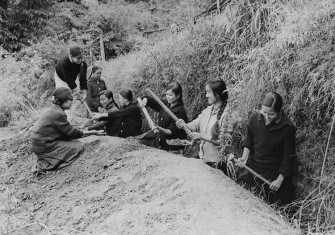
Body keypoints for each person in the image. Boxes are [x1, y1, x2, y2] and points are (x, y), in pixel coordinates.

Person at [234, 91, 296, 206]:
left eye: (271, 114)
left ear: (279, 111)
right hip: (255, 170)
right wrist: (244, 157)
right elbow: (249, 139)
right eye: (264, 112)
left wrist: (280, 179)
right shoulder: (254, 117)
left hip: (273, 177)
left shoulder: (287, 128)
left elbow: (289, 156)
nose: (267, 117)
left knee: (271, 207)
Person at [176, 79, 236, 174]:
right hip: (203, 160)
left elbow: (223, 142)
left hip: (218, 163)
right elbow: (194, 125)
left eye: (208, 92)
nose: (206, 95)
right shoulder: (207, 111)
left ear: (217, 93)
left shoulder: (228, 115)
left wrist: (201, 136)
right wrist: (184, 125)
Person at [30, 87, 97, 173]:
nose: (71, 102)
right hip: (45, 146)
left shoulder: (54, 110)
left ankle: (47, 160)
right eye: (69, 100)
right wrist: (92, 132)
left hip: (40, 144)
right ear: (62, 101)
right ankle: (47, 165)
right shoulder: (58, 114)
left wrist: (83, 126)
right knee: (78, 147)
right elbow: (72, 133)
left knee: (73, 142)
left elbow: (67, 129)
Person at [138, 82, 188, 150]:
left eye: (170, 95)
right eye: (166, 94)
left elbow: (171, 131)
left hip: (173, 148)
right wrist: (145, 100)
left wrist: (158, 128)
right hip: (162, 145)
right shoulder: (165, 104)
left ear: (178, 95)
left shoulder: (180, 112)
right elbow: (151, 101)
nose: (167, 97)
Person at [54, 46, 88, 120]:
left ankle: (70, 117)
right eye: (78, 58)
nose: (81, 60)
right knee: (64, 96)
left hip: (73, 76)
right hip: (61, 77)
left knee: (72, 98)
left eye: (82, 57)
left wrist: (83, 91)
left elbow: (83, 78)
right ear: (71, 57)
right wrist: (76, 91)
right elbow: (68, 80)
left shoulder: (83, 64)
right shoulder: (64, 63)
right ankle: (63, 118)